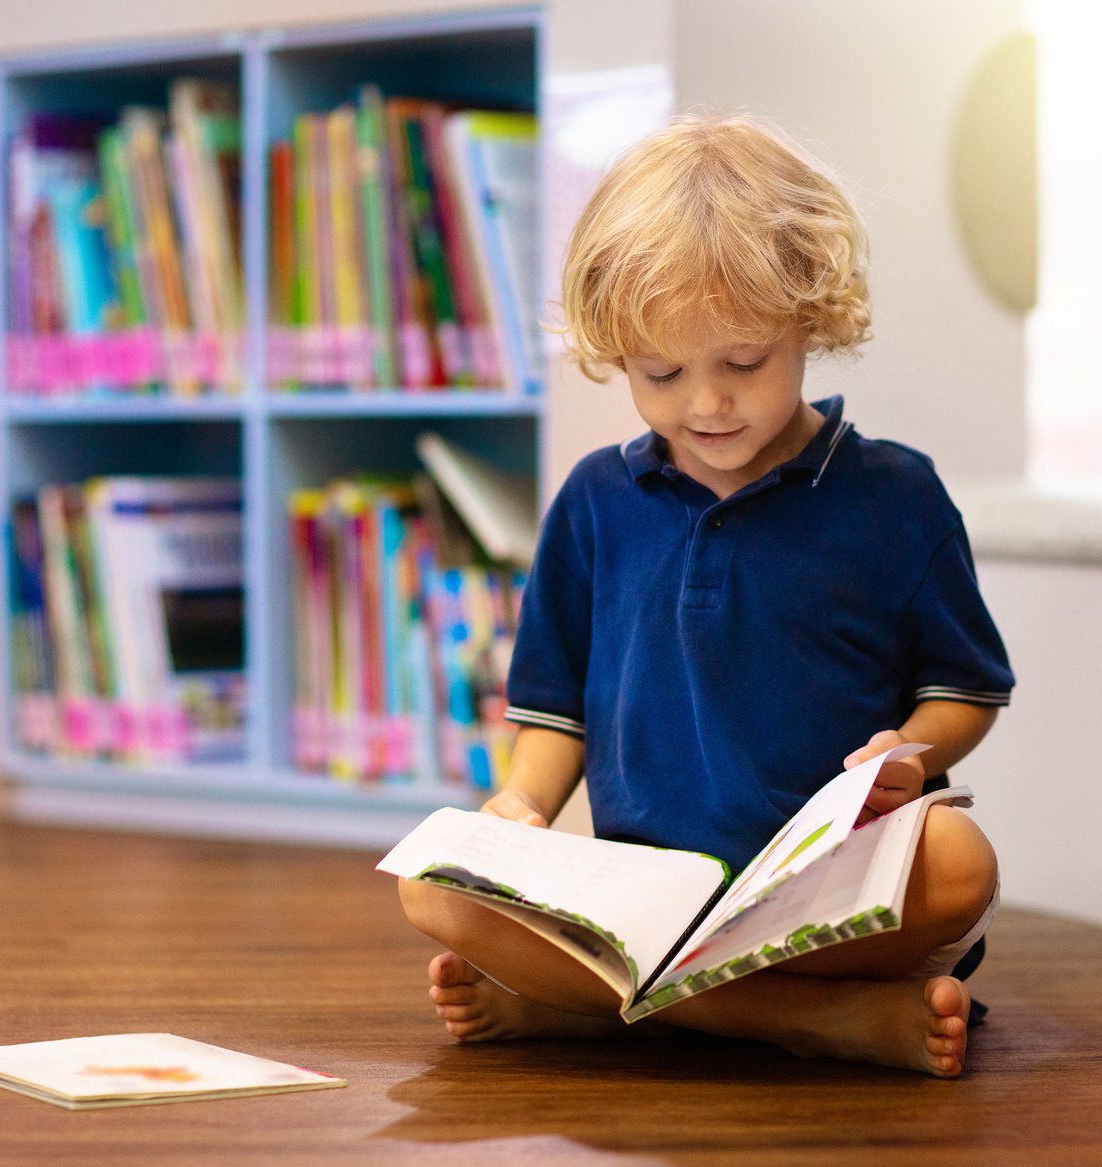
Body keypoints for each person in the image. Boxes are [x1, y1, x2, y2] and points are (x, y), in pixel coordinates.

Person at [398, 115, 1013, 1078]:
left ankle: (591, 1008)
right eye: (662, 372)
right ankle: (815, 1019)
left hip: (819, 884)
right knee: (434, 889)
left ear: (811, 319)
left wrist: (909, 751)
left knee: (962, 859)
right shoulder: (597, 499)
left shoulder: (896, 494)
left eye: (744, 362)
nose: (707, 404)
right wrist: (520, 801)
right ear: (617, 349)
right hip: (640, 883)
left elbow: (966, 687)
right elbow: (552, 709)